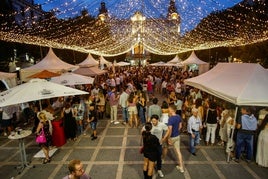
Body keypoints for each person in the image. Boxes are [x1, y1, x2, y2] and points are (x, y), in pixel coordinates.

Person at [167, 104, 184, 173]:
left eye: (169, 109)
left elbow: (170, 130)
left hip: (172, 137)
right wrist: (177, 131)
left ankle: (161, 160)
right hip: (177, 136)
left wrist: (169, 138)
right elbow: (180, 126)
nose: (168, 110)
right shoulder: (178, 116)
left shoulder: (170, 119)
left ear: (171, 110)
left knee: (165, 147)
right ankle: (181, 167)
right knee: (178, 152)